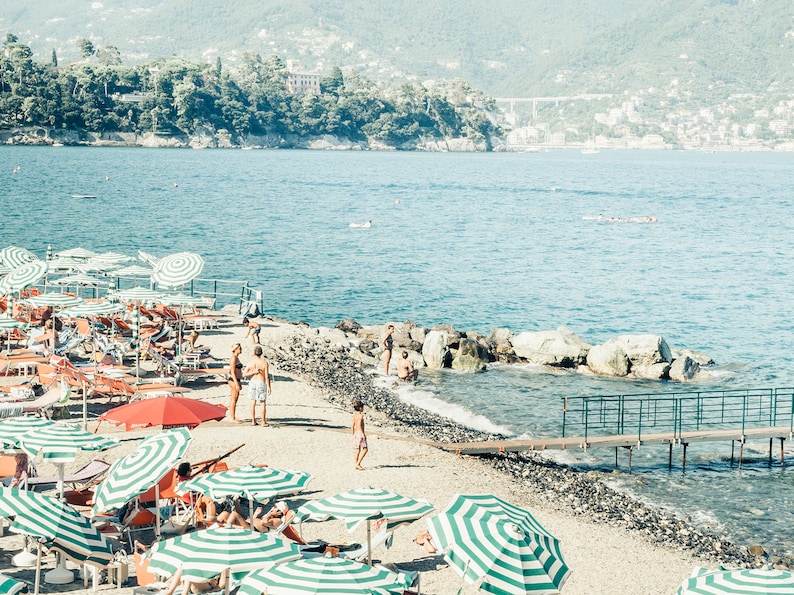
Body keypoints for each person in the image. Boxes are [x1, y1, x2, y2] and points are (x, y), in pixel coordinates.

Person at [243, 345, 271, 426]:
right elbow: (267, 376)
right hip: (261, 382)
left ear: (254, 353)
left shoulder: (251, 362)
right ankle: (263, 421)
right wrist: (269, 386)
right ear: (261, 353)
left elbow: (244, 374)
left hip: (253, 382)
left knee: (253, 401)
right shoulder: (264, 362)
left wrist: (252, 372)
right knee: (262, 402)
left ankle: (253, 420)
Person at [227, 343, 243, 423]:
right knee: (233, 398)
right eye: (239, 348)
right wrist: (236, 383)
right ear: (235, 349)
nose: (241, 350)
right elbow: (232, 372)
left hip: (237, 379)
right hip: (234, 380)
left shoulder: (236, 358)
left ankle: (233, 416)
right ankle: (232, 418)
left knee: (235, 399)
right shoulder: (233, 358)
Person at [352, 399, 368, 470]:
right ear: (360, 408)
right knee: (365, 449)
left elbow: (352, 425)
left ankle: (356, 464)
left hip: (356, 433)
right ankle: (358, 464)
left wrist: (353, 434)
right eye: (363, 407)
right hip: (360, 433)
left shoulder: (355, 416)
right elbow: (359, 425)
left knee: (357, 450)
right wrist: (363, 434)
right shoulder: (360, 416)